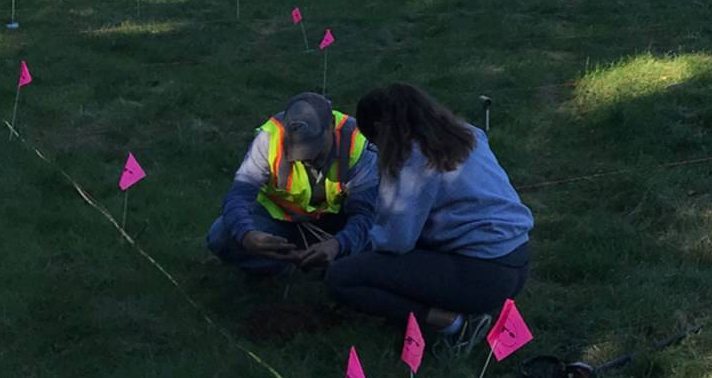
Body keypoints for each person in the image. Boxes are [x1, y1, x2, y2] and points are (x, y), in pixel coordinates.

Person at [325, 83, 532, 345]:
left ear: (379, 129)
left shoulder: (410, 161)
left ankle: (454, 324)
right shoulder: (468, 134)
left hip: (480, 274)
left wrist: (349, 247)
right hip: (517, 258)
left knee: (342, 278)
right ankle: (466, 308)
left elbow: (394, 241)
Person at [206, 92, 378, 275]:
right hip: (279, 220)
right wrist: (247, 235)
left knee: (378, 240)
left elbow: (365, 214)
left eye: (315, 149)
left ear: (331, 127)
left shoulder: (357, 143)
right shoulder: (269, 138)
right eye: (299, 152)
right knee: (220, 236)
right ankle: (289, 265)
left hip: (337, 221)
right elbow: (239, 194)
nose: (308, 159)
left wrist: (338, 244)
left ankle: (332, 265)